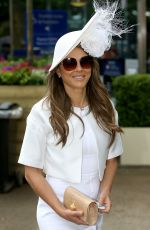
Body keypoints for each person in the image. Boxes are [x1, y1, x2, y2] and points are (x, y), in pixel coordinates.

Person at [18, 1, 130, 229]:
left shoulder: (105, 107)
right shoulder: (42, 113)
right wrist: (58, 209)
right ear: (58, 71)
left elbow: (112, 158)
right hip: (56, 209)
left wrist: (105, 192)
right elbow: (31, 172)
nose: (79, 69)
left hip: (92, 208)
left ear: (92, 66)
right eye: (69, 63)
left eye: (85, 61)